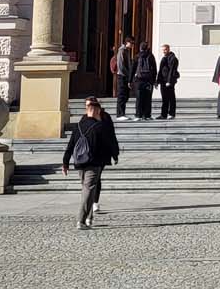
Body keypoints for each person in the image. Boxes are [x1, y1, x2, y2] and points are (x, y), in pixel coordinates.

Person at [62, 97, 120, 231]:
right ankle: (81, 220)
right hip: (94, 163)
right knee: (88, 190)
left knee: (88, 189)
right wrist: (115, 155)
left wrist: (65, 162)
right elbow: (110, 142)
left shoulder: (78, 126)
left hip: (80, 162)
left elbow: (70, 145)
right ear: (97, 111)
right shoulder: (100, 126)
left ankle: (89, 219)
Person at [112, 38, 135, 120]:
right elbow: (121, 65)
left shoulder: (127, 51)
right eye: (131, 43)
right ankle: (120, 114)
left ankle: (122, 113)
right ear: (127, 42)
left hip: (125, 76)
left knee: (125, 95)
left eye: (133, 43)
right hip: (122, 76)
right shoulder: (122, 51)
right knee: (121, 95)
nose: (132, 45)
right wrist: (128, 75)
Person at [134, 45, 157, 121]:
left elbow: (133, 67)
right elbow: (154, 69)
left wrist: (130, 80)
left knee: (139, 98)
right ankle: (147, 115)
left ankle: (138, 115)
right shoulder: (151, 56)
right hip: (149, 80)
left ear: (140, 48)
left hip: (139, 80)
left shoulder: (137, 56)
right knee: (148, 98)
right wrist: (154, 80)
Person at [157, 44, 180, 119]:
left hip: (169, 81)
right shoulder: (164, 58)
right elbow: (160, 70)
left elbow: (172, 70)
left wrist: (169, 81)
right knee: (164, 98)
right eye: (163, 50)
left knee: (171, 98)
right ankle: (163, 114)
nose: (164, 51)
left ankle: (171, 114)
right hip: (163, 81)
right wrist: (157, 81)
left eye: (165, 49)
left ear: (168, 49)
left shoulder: (173, 58)